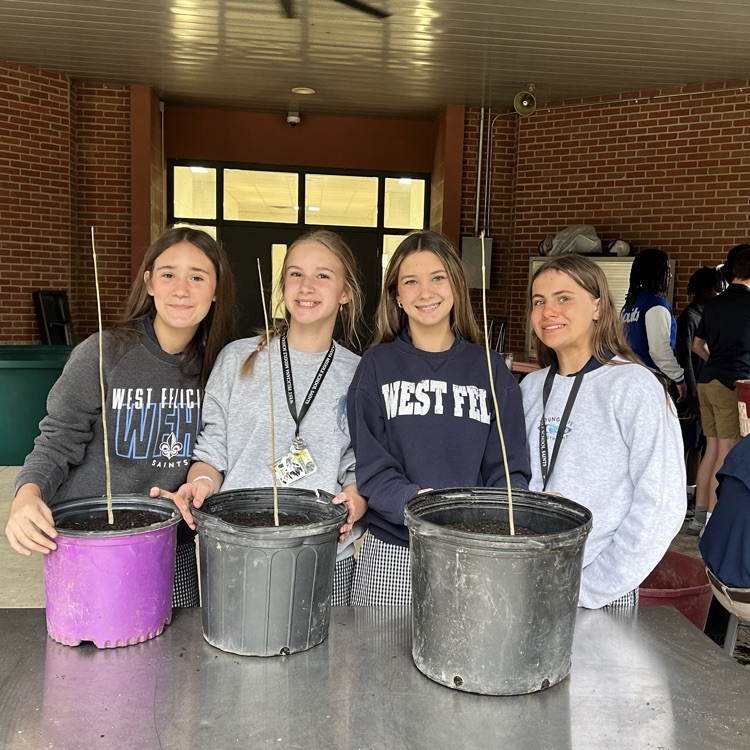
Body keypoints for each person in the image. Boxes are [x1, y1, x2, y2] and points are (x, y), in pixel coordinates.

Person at [5, 227, 237, 607]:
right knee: (93, 651)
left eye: (197, 277)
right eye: (168, 274)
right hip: (89, 539)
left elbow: (215, 452)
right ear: (148, 283)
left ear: (215, 291)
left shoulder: (220, 366)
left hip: (170, 543)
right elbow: (58, 438)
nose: (181, 289)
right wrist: (27, 495)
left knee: (176, 656)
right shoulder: (105, 351)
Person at [167, 230, 367, 606]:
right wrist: (202, 484)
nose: (306, 286)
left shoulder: (361, 373)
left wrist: (356, 500)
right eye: (295, 274)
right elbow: (212, 452)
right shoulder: (238, 358)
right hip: (236, 548)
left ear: (346, 292)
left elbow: (360, 464)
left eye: (323, 275)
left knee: (324, 660)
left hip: (324, 554)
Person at [346, 230, 530, 606]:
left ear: (457, 285)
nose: (424, 292)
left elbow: (509, 470)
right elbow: (371, 463)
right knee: (379, 661)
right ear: (396, 295)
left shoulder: (490, 370)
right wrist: (414, 502)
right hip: (394, 553)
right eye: (410, 282)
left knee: (464, 664)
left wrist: (488, 525)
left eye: (437, 277)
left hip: (474, 549)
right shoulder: (376, 366)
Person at [520, 254, 685, 610]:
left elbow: (662, 505)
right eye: (539, 301)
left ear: (597, 306)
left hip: (599, 591)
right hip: (527, 580)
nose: (549, 311)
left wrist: (590, 589)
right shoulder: (530, 389)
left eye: (564, 298)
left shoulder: (634, 386)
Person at [690, 246, 750, 534]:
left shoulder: (713, 303)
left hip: (708, 381)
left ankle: (699, 517)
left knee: (711, 448)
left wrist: (715, 361)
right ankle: (713, 523)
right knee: (727, 453)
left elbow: (696, 346)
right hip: (733, 384)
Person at [674, 267, 724, 525]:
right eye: (716, 288)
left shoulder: (705, 316)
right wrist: (692, 396)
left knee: (700, 448)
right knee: (687, 448)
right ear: (705, 289)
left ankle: (692, 496)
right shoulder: (690, 318)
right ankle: (682, 499)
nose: (718, 293)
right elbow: (685, 360)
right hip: (692, 395)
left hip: (704, 390)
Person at [620, 247, 687, 402]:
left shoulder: (629, 306)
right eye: (666, 269)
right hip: (650, 378)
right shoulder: (656, 304)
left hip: (628, 376)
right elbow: (659, 350)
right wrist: (679, 379)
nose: (669, 275)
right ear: (657, 272)